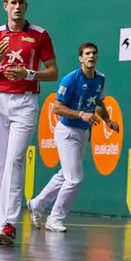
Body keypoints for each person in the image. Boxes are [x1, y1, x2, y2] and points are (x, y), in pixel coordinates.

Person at [0, 0, 59, 246]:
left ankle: (10, 224)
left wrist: (27, 74)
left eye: (21, 2)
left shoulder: (39, 35)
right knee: (0, 165)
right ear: (5, 5)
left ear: (27, 6)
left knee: (15, 161)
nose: (17, 7)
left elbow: (53, 72)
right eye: (12, 2)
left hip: (25, 102)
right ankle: (2, 225)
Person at [27, 42, 119, 232]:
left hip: (84, 132)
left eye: (94, 53)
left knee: (65, 175)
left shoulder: (100, 79)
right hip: (67, 132)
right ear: (80, 58)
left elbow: (99, 102)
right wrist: (80, 114)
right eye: (87, 53)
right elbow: (56, 108)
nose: (91, 56)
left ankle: (36, 205)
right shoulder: (70, 80)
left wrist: (108, 120)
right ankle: (55, 218)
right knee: (75, 179)